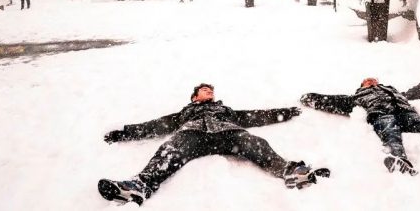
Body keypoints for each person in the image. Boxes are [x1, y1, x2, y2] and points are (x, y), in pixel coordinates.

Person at [98, 83, 330, 205]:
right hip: (194, 136)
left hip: (228, 135)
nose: (209, 92)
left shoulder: (225, 111)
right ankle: (139, 186)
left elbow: (254, 116)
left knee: (255, 142)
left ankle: (290, 172)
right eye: (204, 90)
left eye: (211, 90)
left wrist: (284, 112)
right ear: (194, 97)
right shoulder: (184, 113)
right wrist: (125, 133)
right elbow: (157, 125)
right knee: (171, 148)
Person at [300, 78, 420, 176]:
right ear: (362, 87)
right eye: (367, 81)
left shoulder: (395, 92)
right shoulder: (357, 98)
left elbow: (414, 92)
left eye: (374, 80)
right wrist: (309, 98)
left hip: (407, 114)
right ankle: (399, 160)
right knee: (390, 131)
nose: (372, 81)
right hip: (381, 115)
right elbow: (331, 101)